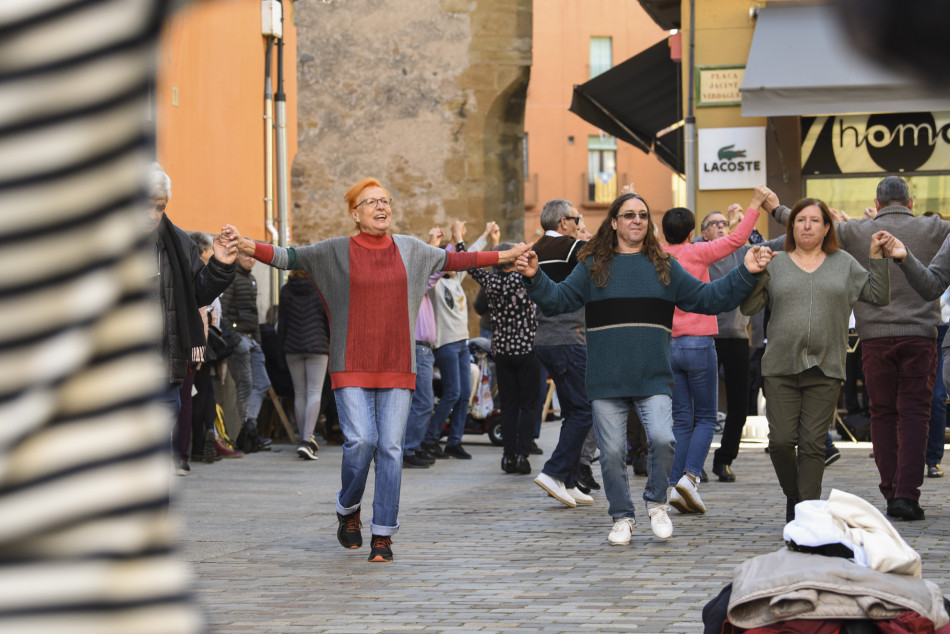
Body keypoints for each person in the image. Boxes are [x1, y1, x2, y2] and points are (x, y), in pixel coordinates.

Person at [221, 177, 530, 562]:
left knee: (391, 448)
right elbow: (290, 257)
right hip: (350, 362)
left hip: (398, 363)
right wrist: (247, 245)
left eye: (385, 200)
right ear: (355, 213)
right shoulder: (335, 251)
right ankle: (348, 508)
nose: (381, 206)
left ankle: (382, 534)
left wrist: (503, 256)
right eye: (371, 202)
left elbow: (455, 260)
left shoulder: (411, 249)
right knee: (362, 442)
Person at [516, 192, 772, 545]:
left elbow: (709, 298)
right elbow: (558, 301)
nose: (636, 220)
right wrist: (534, 277)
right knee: (612, 454)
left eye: (642, 214)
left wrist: (747, 271)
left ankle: (656, 503)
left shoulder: (664, 265)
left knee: (665, 440)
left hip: (653, 375)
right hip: (606, 378)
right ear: (615, 223)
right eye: (628, 214)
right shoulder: (592, 265)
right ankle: (622, 516)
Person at [765, 176, 950, 521]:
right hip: (921, 335)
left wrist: (775, 210)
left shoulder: (856, 231)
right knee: (915, 415)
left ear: (877, 204)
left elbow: (808, 225)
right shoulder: (934, 227)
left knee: (881, 414)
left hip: (875, 337)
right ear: (910, 202)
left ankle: (890, 490)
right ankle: (907, 496)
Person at [741, 198, 891, 523]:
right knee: (781, 442)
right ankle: (795, 495)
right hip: (780, 367)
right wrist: (751, 271)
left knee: (812, 446)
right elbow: (748, 309)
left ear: (826, 228)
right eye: (800, 220)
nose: (807, 226)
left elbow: (879, 295)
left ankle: (806, 514)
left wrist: (878, 259)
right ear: (791, 227)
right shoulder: (775, 264)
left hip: (825, 368)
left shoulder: (845, 263)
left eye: (814, 220)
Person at [659, 187, 767, 514]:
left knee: (681, 419)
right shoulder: (699, 251)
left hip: (669, 344)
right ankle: (690, 477)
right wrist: (754, 206)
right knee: (706, 417)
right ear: (693, 233)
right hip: (699, 342)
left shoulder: (658, 256)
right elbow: (736, 242)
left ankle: (675, 482)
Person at [146, 165, 236, 477]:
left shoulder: (180, 243)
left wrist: (220, 265)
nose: (153, 214)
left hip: (165, 367)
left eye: (160, 206)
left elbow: (198, 293)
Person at [698, 205, 786, 482]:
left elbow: (769, 250)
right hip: (705, 337)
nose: (721, 226)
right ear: (703, 233)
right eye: (714, 223)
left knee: (739, 406)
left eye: (725, 222)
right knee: (701, 407)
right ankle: (694, 462)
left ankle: (724, 460)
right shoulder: (699, 253)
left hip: (736, 337)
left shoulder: (740, 252)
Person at [529, 199, 597, 508]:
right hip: (567, 337)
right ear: (563, 223)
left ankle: (568, 481)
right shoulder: (569, 247)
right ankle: (554, 472)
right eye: (577, 218)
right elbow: (600, 266)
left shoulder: (536, 248)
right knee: (584, 409)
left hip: (545, 338)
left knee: (574, 409)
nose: (580, 223)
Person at [423, 220, 496, 460]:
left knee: (465, 393)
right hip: (444, 344)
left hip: (463, 343)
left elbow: (471, 256)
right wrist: (450, 242)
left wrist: (485, 234)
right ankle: (430, 439)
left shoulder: (456, 279)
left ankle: (454, 442)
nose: (455, 264)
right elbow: (430, 262)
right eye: (450, 260)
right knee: (452, 393)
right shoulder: (434, 283)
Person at [468, 242, 542, 476]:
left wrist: (460, 238)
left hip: (501, 351)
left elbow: (470, 263)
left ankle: (508, 457)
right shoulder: (523, 280)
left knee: (508, 406)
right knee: (529, 405)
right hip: (527, 349)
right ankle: (522, 454)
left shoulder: (491, 281)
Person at [220, 250, 273, 453]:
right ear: (237, 257)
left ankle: (249, 426)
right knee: (245, 385)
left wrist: (258, 340)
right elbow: (222, 310)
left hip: (252, 339)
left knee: (262, 383)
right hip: (239, 338)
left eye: (253, 257)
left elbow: (254, 312)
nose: (251, 260)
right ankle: (248, 431)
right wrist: (234, 340)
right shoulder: (231, 278)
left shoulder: (251, 279)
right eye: (247, 256)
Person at [279, 269, 331, 461]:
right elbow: (327, 321)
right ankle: (307, 440)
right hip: (318, 346)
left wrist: (281, 347)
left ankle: (304, 438)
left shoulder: (286, 290)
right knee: (314, 392)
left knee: (299, 393)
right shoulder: (321, 289)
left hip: (292, 347)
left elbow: (281, 321)